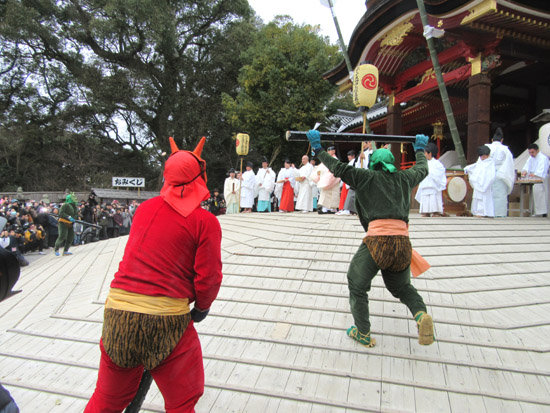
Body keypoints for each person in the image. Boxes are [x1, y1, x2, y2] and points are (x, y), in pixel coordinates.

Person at [85, 137, 222, 412]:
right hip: (167, 319)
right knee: (182, 401)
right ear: (200, 176)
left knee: (107, 399)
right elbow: (208, 277)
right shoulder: (205, 222)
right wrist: (202, 307)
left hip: (118, 313)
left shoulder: (145, 209)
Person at [306, 130, 434, 348]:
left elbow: (337, 168)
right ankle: (421, 315)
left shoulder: (364, 177)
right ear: (393, 163)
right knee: (402, 288)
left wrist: (318, 149)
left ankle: (363, 332)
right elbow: (422, 169)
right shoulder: (404, 178)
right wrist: (420, 150)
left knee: (357, 283)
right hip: (402, 243)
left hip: (376, 242)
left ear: (373, 163)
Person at [486, 128, 515, 217]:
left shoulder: (486, 148)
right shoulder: (505, 150)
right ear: (502, 140)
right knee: (500, 196)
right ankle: (499, 214)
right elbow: (509, 164)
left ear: (492, 140)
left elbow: (481, 162)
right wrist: (502, 174)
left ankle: (488, 213)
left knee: (488, 195)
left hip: (488, 174)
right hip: (501, 174)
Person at [415, 142, 447, 217]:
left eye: (425, 153)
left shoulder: (437, 164)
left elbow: (439, 173)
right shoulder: (423, 163)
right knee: (425, 196)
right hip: (425, 184)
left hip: (433, 185)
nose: (424, 155)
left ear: (430, 153)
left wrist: (429, 172)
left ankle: (436, 211)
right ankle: (426, 211)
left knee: (433, 197)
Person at [465, 146, 496, 218]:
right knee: (477, 198)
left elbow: (491, 176)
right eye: (481, 156)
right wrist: (467, 169)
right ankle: (477, 212)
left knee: (484, 199)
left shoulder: (490, 163)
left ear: (488, 155)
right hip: (478, 183)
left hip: (485, 184)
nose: (483, 158)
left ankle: (484, 213)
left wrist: (484, 183)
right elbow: (475, 167)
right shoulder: (480, 162)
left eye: (484, 156)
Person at [521, 143, 549, 216]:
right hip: (533, 178)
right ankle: (536, 211)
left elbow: (541, 170)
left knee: (541, 195)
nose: (531, 154)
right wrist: (525, 171)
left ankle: (543, 212)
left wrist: (535, 174)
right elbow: (527, 166)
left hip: (541, 178)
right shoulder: (531, 158)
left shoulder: (543, 158)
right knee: (535, 195)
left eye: (532, 152)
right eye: (530, 152)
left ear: (537, 151)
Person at [316, 146, 340, 214]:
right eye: (328, 151)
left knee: (333, 194)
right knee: (325, 194)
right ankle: (325, 208)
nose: (328, 152)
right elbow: (322, 168)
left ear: (333, 151)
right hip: (326, 178)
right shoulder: (326, 159)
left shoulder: (335, 159)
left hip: (333, 178)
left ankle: (333, 208)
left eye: (330, 151)